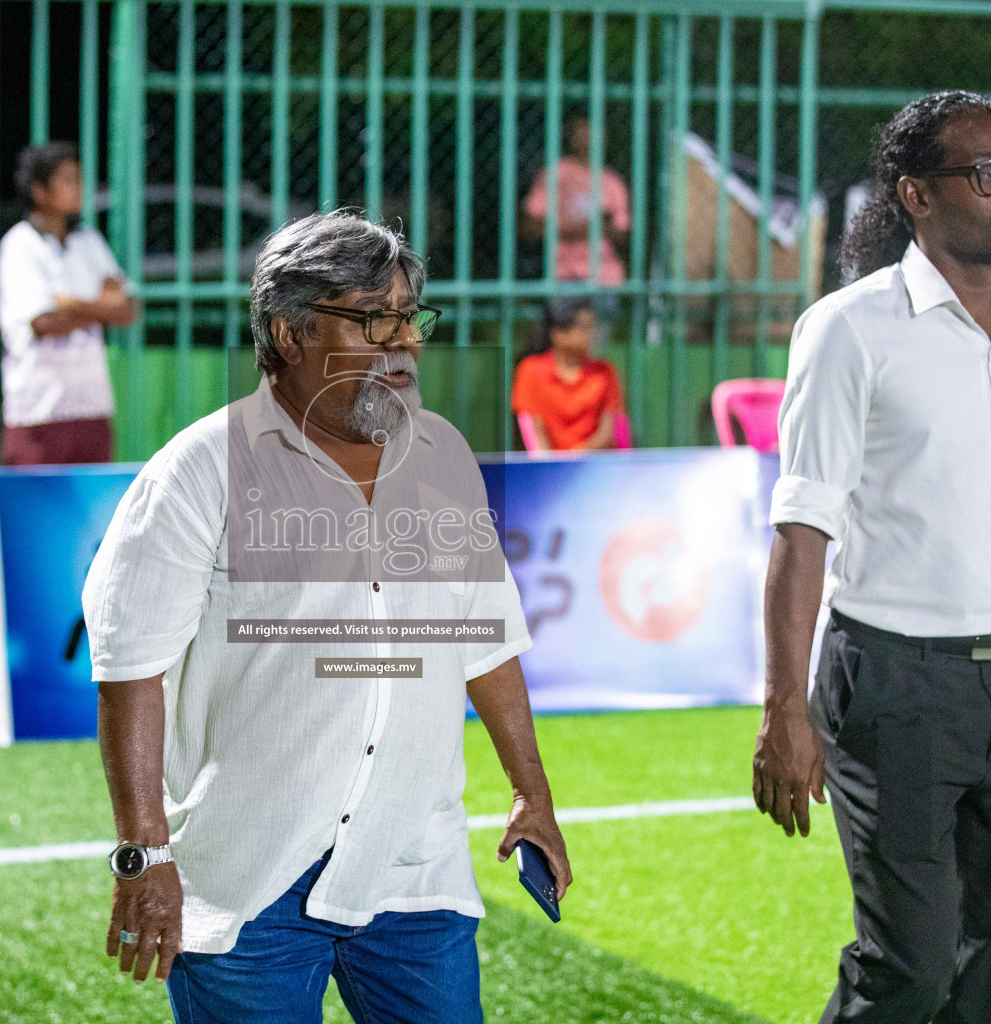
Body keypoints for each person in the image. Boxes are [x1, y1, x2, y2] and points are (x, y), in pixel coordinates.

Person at [82, 210, 571, 1023]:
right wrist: (144, 853)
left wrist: (532, 793)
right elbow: (129, 663)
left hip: (415, 866)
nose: (404, 341)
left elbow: (484, 638)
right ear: (290, 332)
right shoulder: (201, 469)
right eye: (374, 320)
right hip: (251, 877)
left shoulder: (443, 454)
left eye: (411, 317)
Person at [756, 90, 991, 1024]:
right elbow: (804, 529)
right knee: (910, 972)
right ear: (916, 195)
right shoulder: (848, 329)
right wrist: (785, 709)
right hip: (894, 690)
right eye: (988, 171)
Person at [0, 142, 136, 465]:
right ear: (39, 191)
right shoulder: (20, 245)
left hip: (92, 404)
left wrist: (68, 303)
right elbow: (43, 323)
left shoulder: (89, 242)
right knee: (38, 511)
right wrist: (99, 308)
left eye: (80, 179)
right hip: (38, 408)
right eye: (67, 180)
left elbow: (126, 309)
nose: (79, 188)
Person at [521, 115, 631, 349]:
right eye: (582, 132)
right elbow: (532, 226)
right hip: (565, 276)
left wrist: (565, 226)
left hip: (604, 277)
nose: (588, 139)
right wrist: (594, 227)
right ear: (571, 137)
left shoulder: (612, 182)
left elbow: (622, 234)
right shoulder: (556, 175)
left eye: (594, 132)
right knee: (562, 348)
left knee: (596, 349)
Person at [511, 298, 627, 452]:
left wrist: (575, 458)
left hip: (594, 467)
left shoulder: (605, 372)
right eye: (585, 328)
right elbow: (532, 431)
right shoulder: (530, 370)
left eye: (593, 327)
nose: (593, 333)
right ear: (558, 334)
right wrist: (550, 467)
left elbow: (608, 432)